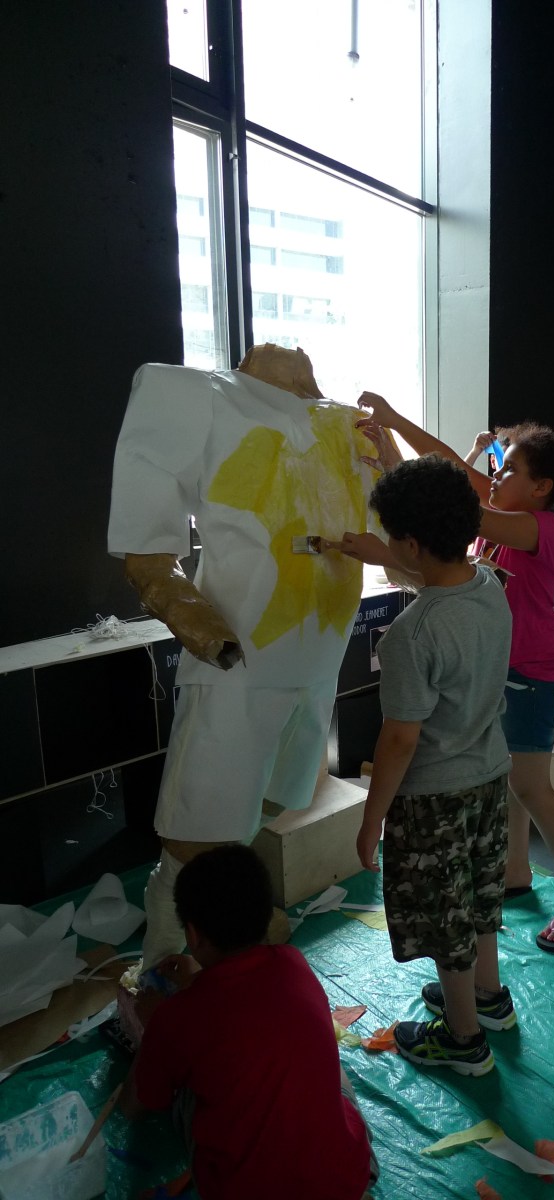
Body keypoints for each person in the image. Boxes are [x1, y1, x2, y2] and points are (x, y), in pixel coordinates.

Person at [108, 344, 387, 969]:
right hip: (239, 665)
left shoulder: (346, 425)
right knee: (198, 822)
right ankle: (166, 953)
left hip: (314, 663)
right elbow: (146, 543)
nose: (294, 353)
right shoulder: (198, 396)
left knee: (269, 798)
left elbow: (395, 535)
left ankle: (224, 925)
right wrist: (193, 618)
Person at [348, 396, 554, 954]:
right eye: (498, 465)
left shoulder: (540, 529)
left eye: (508, 468)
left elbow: (448, 489)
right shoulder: (502, 518)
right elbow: (450, 474)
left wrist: (396, 431)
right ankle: (516, 870)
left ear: (541, 487)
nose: (495, 474)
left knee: (532, 786)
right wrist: (393, 443)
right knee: (511, 776)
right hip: (508, 668)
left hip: (535, 675)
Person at [352, 455, 513, 1076]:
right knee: (478, 895)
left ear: (412, 545)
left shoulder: (410, 635)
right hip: (489, 776)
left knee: (446, 918)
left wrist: (373, 819)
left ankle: (463, 1039)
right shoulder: (489, 585)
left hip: (432, 798)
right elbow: (439, 583)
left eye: (392, 539)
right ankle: (487, 998)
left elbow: (399, 740)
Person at [119, 844, 377, 1200]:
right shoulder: (293, 962)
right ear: (266, 915)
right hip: (348, 1180)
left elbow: (137, 1104)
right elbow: (242, 1000)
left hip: (244, 1189)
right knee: (329, 1072)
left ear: (192, 935)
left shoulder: (175, 1018)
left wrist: (152, 1029)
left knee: (189, 1088)